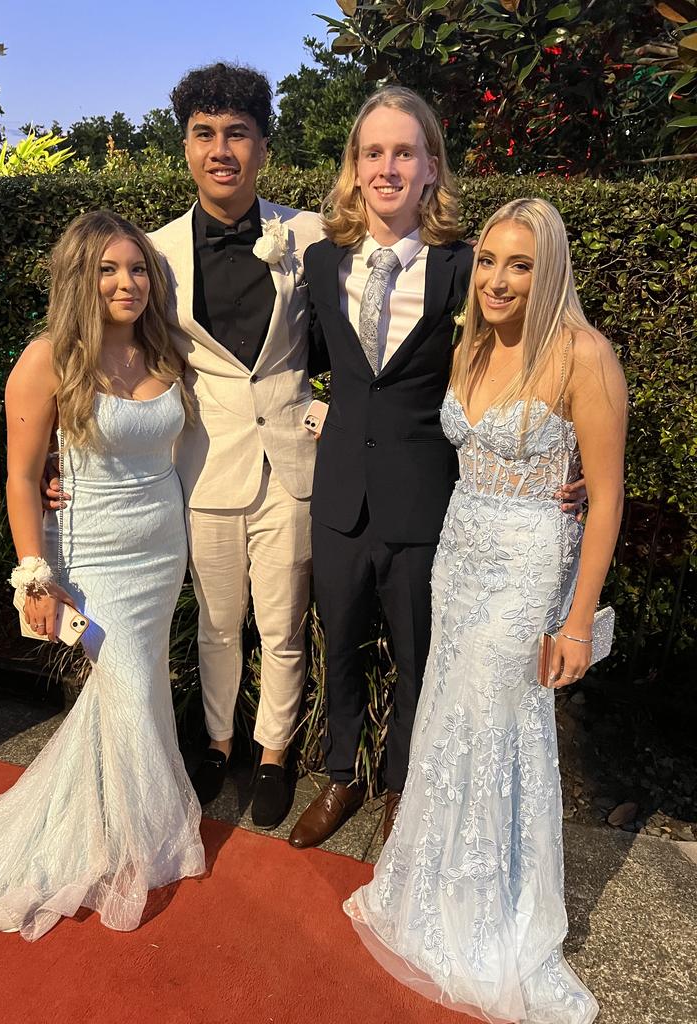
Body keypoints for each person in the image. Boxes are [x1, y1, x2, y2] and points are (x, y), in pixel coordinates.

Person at [344, 198, 627, 1024]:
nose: (499, 280)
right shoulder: (471, 341)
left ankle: (494, 911)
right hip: (460, 552)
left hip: (529, 567)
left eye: (522, 264)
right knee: (450, 719)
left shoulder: (585, 356)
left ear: (552, 272)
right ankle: (435, 888)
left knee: (498, 725)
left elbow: (606, 501)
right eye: (491, 262)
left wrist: (577, 623)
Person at [0, 211, 205, 942]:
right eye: (109, 270)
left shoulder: (163, 348)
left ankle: (122, 825)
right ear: (80, 278)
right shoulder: (47, 358)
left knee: (141, 688)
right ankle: (93, 839)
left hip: (159, 548)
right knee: (120, 689)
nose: (127, 282)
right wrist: (35, 575)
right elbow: (22, 477)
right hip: (93, 556)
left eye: (138, 268)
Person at [289, 87, 474, 849]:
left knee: (416, 657)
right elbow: (312, 366)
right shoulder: (321, 260)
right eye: (374, 152)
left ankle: (401, 785)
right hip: (338, 498)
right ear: (354, 167)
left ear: (431, 168)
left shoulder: (463, 269)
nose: (388, 167)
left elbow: (502, 377)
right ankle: (342, 777)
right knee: (341, 644)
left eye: (405, 152)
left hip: (423, 502)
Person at [146, 64, 323, 828]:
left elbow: (371, 332)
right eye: (205, 134)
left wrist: (336, 409)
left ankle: (274, 752)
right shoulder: (151, 254)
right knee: (219, 622)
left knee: (282, 624)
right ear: (185, 146)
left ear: (263, 146)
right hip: (206, 462)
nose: (222, 149)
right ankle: (218, 742)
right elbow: (118, 360)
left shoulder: (311, 233)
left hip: (291, 461)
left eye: (238, 134)